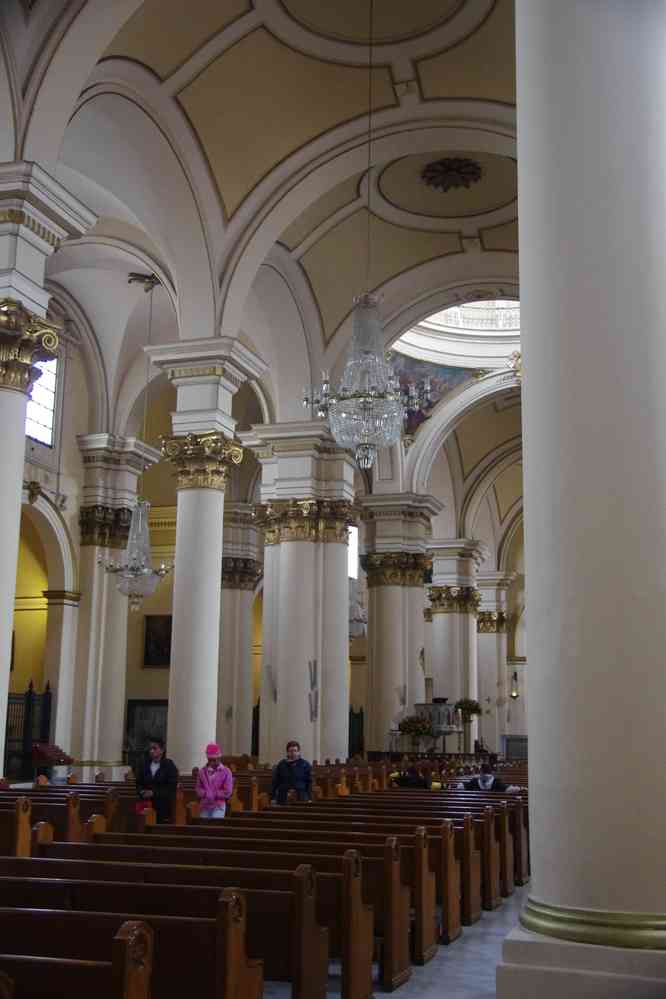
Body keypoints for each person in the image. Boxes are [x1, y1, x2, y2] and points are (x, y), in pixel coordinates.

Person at [135, 736, 178, 823]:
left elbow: (171, 787)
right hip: (145, 804)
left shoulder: (169, 765)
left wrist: (154, 793)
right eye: (150, 748)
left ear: (162, 750)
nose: (151, 751)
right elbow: (138, 783)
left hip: (162, 806)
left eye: (154, 748)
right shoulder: (144, 764)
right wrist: (141, 791)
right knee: (142, 826)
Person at [196, 743, 233, 819]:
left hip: (219, 806)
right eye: (210, 760)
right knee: (203, 825)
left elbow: (228, 791)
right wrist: (206, 793)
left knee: (215, 824)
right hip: (205, 805)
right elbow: (198, 788)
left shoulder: (226, 771)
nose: (212, 762)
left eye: (214, 760)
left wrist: (214, 794)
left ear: (219, 758)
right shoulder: (202, 771)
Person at [271, 740, 312, 804]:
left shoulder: (305, 764)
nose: (293, 753)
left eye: (295, 751)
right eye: (291, 751)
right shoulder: (281, 764)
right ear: (287, 752)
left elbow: (309, 782)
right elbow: (276, 781)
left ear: (299, 752)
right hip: (283, 795)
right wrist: (273, 797)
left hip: (301, 795)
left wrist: (309, 798)